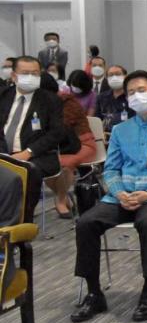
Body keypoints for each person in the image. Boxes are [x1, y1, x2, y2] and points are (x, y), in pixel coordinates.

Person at [70, 70, 147, 323]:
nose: (136, 96)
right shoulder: (120, 130)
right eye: (131, 93)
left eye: (141, 90)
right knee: (86, 223)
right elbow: (111, 170)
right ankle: (94, 293)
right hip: (122, 197)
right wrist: (119, 193)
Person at [0, 56, 65, 181]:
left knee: (19, 174)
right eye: (25, 73)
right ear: (14, 76)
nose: (30, 77)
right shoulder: (3, 95)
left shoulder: (51, 100)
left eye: (34, 74)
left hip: (36, 155)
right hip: (3, 153)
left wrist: (28, 152)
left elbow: (56, 133)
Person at [41, 73, 97, 219]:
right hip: (57, 147)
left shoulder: (67, 102)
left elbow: (59, 128)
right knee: (42, 165)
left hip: (82, 144)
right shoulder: (41, 104)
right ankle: (63, 196)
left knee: (64, 165)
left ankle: (60, 200)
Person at [95, 65, 132, 133]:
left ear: (125, 76)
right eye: (111, 75)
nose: (114, 77)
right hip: (106, 135)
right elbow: (97, 119)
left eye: (118, 74)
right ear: (107, 78)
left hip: (128, 133)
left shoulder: (131, 96)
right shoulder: (101, 97)